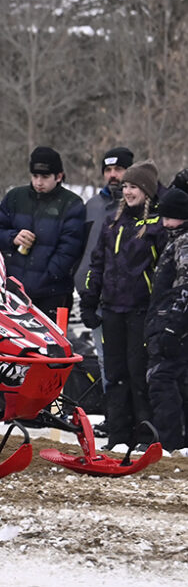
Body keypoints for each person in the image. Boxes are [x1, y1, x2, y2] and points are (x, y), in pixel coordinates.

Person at [80, 160, 165, 453]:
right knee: (114, 374)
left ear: (147, 191)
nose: (128, 192)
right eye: (126, 186)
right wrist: (90, 299)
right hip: (112, 309)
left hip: (141, 310)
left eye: (134, 187)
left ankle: (146, 433)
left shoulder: (157, 225)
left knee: (138, 373)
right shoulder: (112, 223)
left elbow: (164, 271)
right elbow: (97, 264)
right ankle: (118, 435)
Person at [0, 147, 86, 320]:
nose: (39, 182)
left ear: (59, 176)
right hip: (13, 291)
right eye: (35, 176)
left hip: (53, 294)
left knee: (52, 338)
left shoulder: (72, 204)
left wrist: (48, 277)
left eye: (45, 177)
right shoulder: (15, 197)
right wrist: (13, 238)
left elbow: (70, 249)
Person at [145, 187, 188, 454]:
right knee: (176, 382)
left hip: (173, 323)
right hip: (167, 320)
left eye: (169, 217)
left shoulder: (184, 242)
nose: (165, 223)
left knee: (162, 381)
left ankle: (170, 443)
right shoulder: (175, 240)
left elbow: (185, 287)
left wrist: (173, 326)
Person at [76, 145, 132, 305]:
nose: (112, 175)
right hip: (90, 293)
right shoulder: (92, 205)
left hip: (126, 297)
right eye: (108, 170)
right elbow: (81, 248)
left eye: (118, 169)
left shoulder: (138, 206)